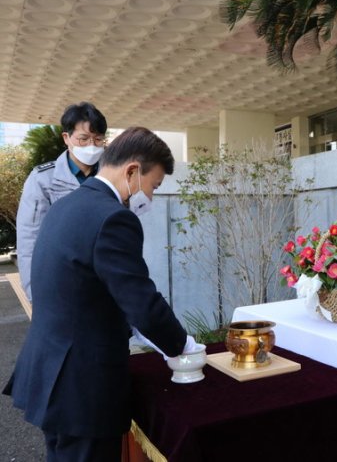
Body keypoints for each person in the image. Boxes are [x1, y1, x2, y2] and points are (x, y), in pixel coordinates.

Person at [3, 127, 196, 462]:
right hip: (83, 385)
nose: (149, 198)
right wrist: (182, 346)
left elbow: (83, 288)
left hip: (51, 370)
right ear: (133, 171)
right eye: (153, 186)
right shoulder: (113, 218)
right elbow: (142, 302)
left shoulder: (65, 206)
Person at [17, 101, 108, 302]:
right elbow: (29, 241)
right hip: (61, 283)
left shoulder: (112, 176)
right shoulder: (42, 179)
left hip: (106, 282)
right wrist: (36, 296)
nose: (91, 146)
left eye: (98, 139)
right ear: (66, 138)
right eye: (83, 139)